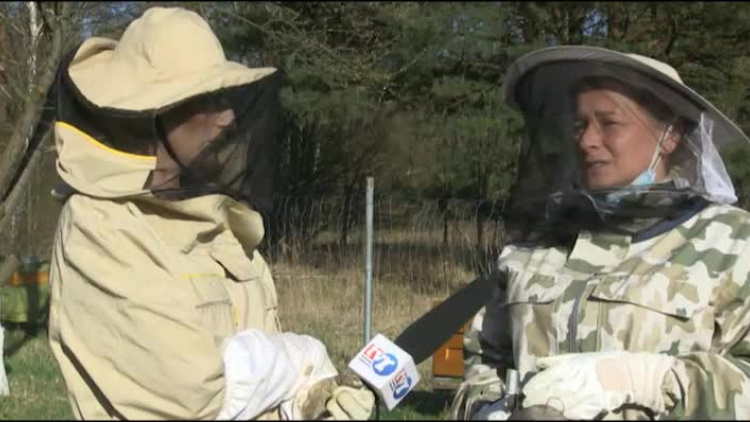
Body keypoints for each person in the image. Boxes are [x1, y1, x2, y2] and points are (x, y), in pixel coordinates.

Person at [46, 7, 374, 420]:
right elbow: (191, 392)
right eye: (206, 100)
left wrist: (304, 405)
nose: (228, 116)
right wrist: (299, 360)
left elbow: (249, 385)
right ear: (153, 111)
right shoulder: (99, 226)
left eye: (225, 98)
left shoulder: (220, 224)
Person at [449, 45, 750, 420]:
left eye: (609, 123)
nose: (586, 140)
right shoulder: (535, 245)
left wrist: (651, 380)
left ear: (669, 134)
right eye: (579, 125)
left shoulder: (732, 243)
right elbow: (484, 361)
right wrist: (490, 410)